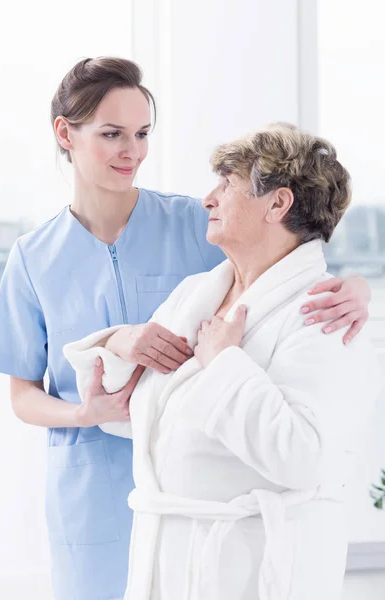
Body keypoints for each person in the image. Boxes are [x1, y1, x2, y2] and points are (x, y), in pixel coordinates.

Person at [0, 56, 371, 600]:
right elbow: (22, 392)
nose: (133, 151)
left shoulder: (198, 222)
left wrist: (358, 287)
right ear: (64, 134)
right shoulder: (31, 257)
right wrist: (89, 402)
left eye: (142, 133)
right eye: (113, 134)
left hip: (211, 493)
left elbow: (295, 243)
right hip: (94, 482)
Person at [65, 123, 380, 600]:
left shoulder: (323, 313)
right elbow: (135, 414)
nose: (208, 199)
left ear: (277, 204)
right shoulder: (198, 294)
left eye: (227, 184)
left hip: (246, 571)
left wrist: (226, 364)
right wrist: (121, 341)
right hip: (168, 556)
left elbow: (302, 458)